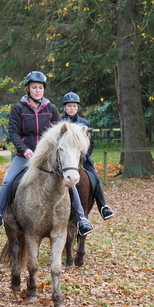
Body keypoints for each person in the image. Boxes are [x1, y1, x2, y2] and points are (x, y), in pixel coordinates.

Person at [0, 71, 94, 236]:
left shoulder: (51, 108)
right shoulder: (18, 108)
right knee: (8, 181)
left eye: (40, 87)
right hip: (25, 156)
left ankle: (81, 218)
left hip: (47, 158)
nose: (37, 90)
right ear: (28, 89)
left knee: (69, 181)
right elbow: (13, 132)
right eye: (34, 87)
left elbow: (60, 132)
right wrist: (24, 149)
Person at [60, 92, 115, 220]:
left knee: (95, 179)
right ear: (65, 108)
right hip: (65, 161)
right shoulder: (60, 123)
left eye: (74, 106)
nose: (71, 108)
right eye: (69, 106)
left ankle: (103, 206)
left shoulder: (83, 123)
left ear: (77, 108)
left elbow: (91, 143)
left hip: (82, 159)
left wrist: (84, 156)